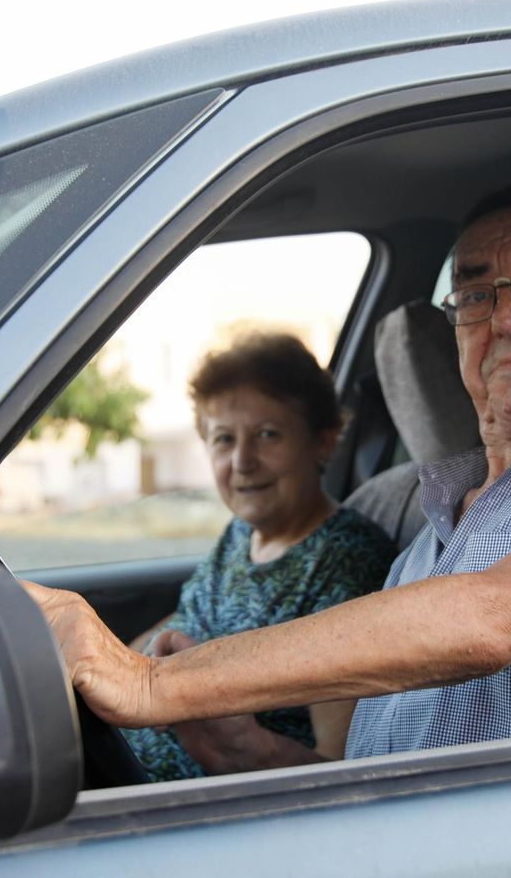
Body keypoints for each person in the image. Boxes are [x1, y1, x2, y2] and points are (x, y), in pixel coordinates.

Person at [26, 185, 511, 765]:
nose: (507, 317)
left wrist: (152, 685)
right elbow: (356, 787)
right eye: (476, 294)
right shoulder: (428, 539)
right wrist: (247, 753)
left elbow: (492, 621)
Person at [121, 333, 395, 779]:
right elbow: (180, 625)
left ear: (323, 442)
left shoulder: (346, 563)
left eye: (268, 435)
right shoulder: (241, 536)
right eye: (224, 440)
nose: (243, 461)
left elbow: (337, 769)